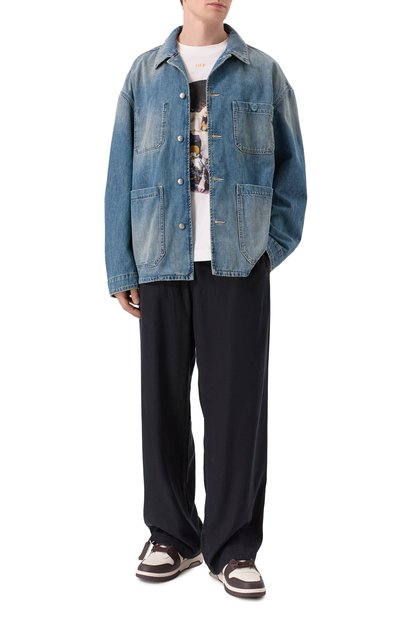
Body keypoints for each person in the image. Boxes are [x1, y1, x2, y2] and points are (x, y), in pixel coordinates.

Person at [104, 0, 307, 600]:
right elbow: (119, 173)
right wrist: (122, 266)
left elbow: (292, 176)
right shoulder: (144, 73)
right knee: (162, 404)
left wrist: (266, 249)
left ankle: (234, 546)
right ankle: (173, 536)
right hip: (160, 256)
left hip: (238, 262)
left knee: (237, 408)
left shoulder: (263, 73)